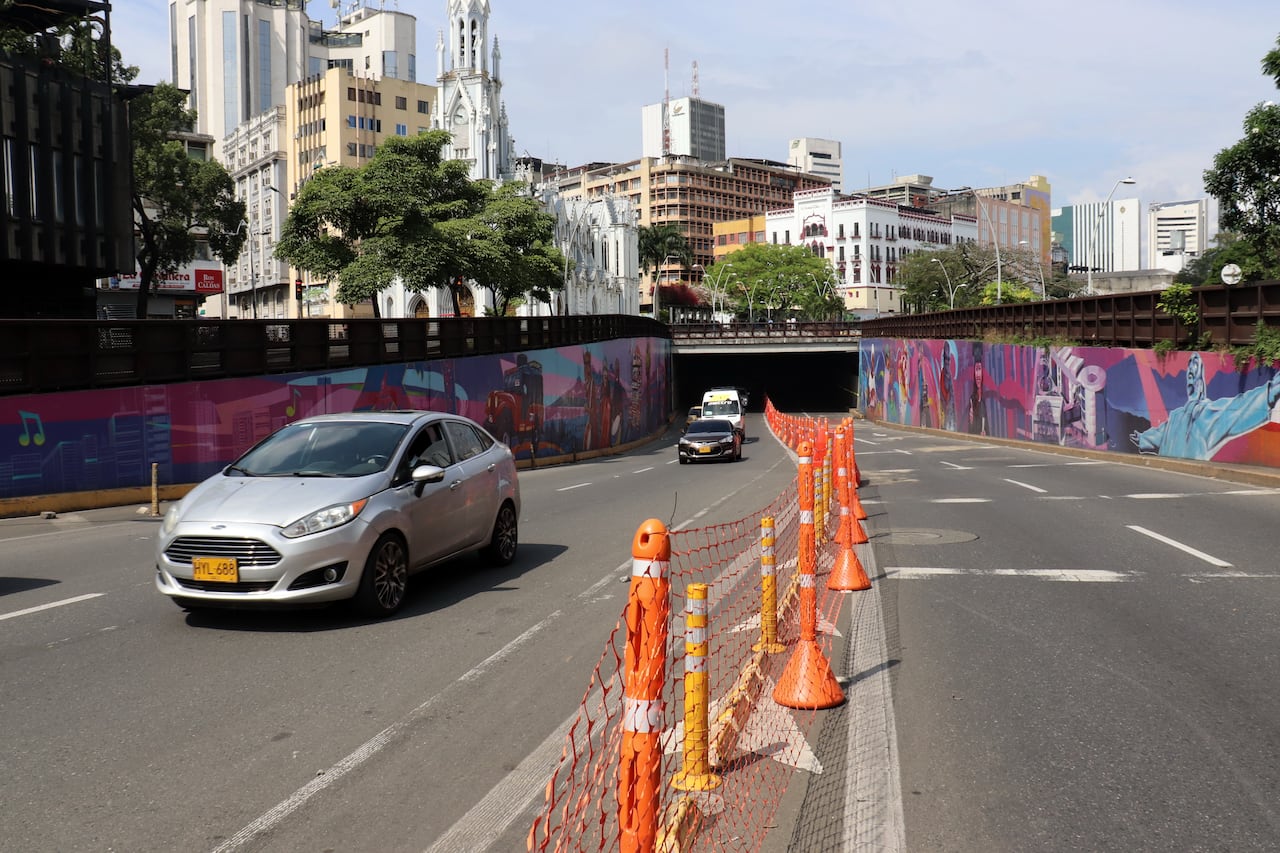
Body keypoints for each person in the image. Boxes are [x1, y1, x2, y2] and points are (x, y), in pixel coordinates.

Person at [1130, 352, 1280, 459]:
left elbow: (1240, 406)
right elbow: (1158, 435)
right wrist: (1143, 438)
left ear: (1201, 381)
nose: (1191, 380)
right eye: (1189, 375)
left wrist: (1269, 393)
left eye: (1194, 375)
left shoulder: (1207, 414)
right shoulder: (1176, 416)